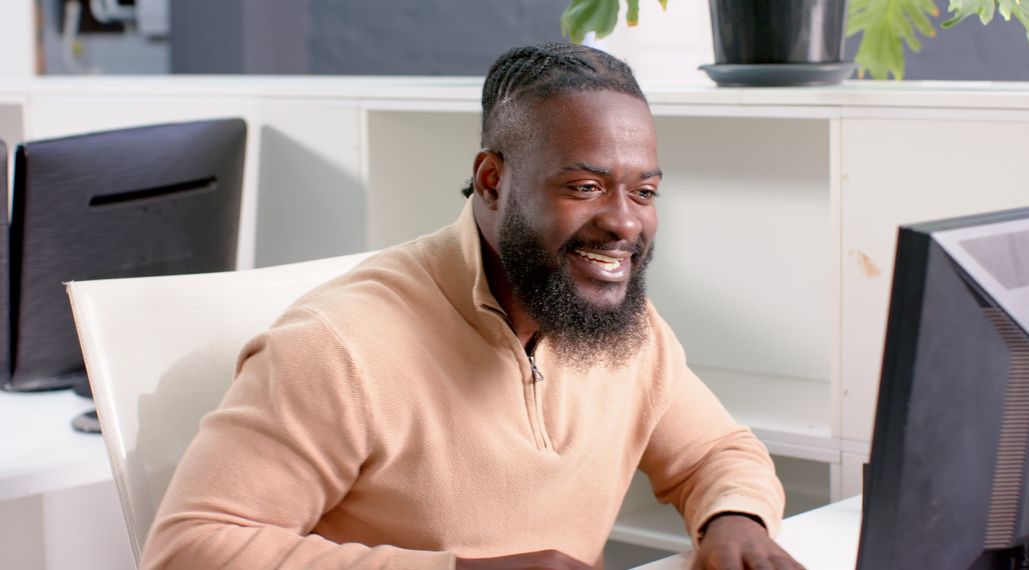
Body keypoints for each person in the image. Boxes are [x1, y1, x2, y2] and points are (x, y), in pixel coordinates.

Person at [140, 42, 803, 570]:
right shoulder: (337, 347)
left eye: (645, 191)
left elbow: (716, 452)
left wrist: (733, 524)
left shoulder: (617, 325)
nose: (625, 222)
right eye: (585, 185)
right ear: (493, 181)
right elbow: (188, 549)